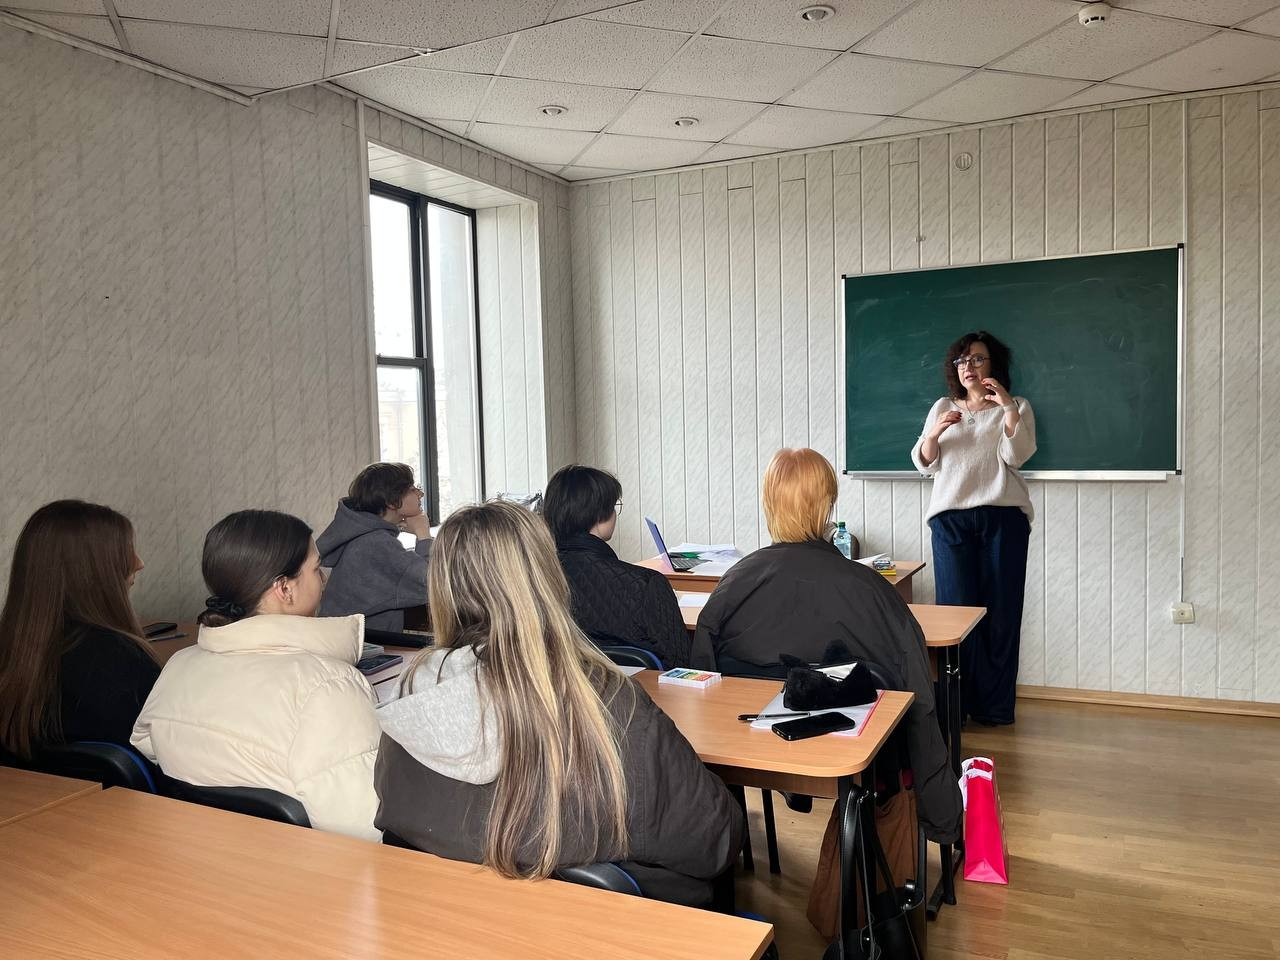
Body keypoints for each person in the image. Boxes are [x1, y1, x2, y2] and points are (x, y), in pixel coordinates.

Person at [375, 501, 743, 908]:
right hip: (605, 928)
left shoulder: (407, 702)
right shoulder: (609, 705)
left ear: (442, 588)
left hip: (454, 924)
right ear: (547, 579)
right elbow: (715, 841)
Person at [690, 448, 961, 844]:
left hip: (750, 746)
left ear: (769, 506)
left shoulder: (734, 584)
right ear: (828, 507)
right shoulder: (871, 590)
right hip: (858, 756)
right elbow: (918, 696)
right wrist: (942, 814)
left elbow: (703, 681)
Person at [131, 510, 380, 840]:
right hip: (299, 868)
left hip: (195, 858)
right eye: (316, 569)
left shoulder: (178, 666)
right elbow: (367, 827)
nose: (323, 580)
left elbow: (148, 748)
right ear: (284, 588)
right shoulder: (329, 687)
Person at [910, 331, 1035, 726]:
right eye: (962, 361)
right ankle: (956, 710)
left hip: (1003, 518)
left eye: (978, 359)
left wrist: (1008, 408)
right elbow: (925, 462)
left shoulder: (1016, 406)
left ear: (993, 363)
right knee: (955, 615)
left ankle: (995, 709)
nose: (969, 367)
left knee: (1002, 615)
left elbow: (1017, 456)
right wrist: (935, 433)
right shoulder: (943, 406)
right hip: (951, 520)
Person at [0, 500, 157, 759]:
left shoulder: (13, 656)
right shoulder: (124, 662)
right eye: (125, 552)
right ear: (92, 571)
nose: (139, 563)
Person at [541, 464, 689, 668]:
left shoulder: (534, 578)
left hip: (558, 685)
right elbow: (681, 666)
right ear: (599, 514)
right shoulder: (646, 584)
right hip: (635, 688)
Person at [316, 462, 432, 631]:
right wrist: (423, 534)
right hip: (362, 644)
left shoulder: (363, 536)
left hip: (348, 638)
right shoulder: (376, 544)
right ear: (392, 501)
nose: (420, 493)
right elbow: (433, 583)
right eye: (412, 489)